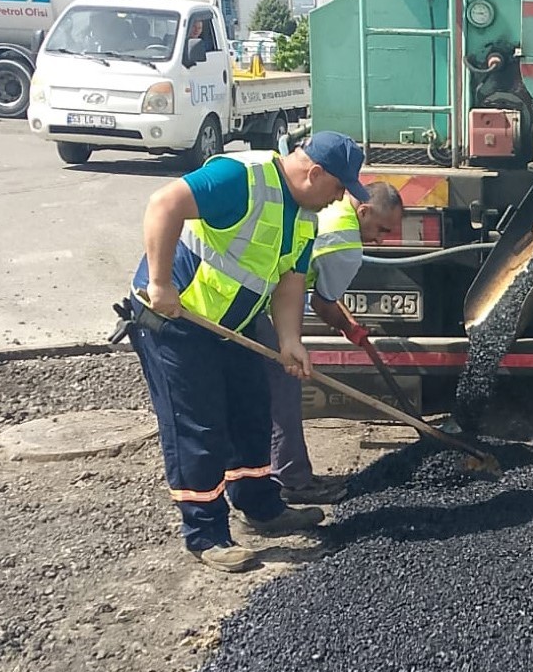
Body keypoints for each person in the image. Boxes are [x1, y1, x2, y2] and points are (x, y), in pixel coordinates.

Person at [128, 131, 372, 572]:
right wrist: (160, 282)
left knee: (252, 410)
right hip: (177, 319)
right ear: (314, 173)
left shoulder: (304, 217)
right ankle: (206, 534)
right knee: (199, 426)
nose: (340, 200)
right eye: (339, 188)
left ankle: (260, 507)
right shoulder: (240, 177)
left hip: (230, 326)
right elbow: (164, 204)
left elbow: (290, 282)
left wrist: (290, 341)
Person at [249, 180, 402, 504]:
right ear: (364, 211)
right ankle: (292, 482)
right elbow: (323, 304)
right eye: (381, 229)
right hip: (262, 304)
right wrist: (347, 326)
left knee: (268, 390)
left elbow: (321, 284)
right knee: (286, 388)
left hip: (260, 293)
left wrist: (349, 324)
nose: (379, 239)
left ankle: (279, 473)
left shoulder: (334, 208)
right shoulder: (345, 245)